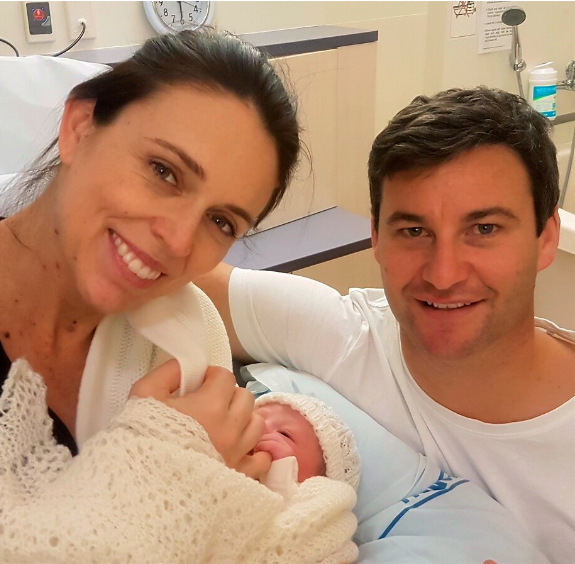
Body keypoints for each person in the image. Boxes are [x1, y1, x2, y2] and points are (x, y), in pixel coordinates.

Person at [196, 87, 575, 563]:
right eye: (413, 232)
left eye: (484, 229)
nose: (443, 273)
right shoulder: (341, 335)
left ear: (546, 238)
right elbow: (164, 265)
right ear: (376, 236)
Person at [0, 27, 301, 482]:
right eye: (164, 172)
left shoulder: (189, 340)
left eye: (221, 222)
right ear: (79, 129)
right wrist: (160, 472)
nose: (179, 242)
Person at [0, 357, 360, 563]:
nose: (257, 435)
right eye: (253, 423)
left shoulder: (307, 497)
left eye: (285, 436)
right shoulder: (201, 462)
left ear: (321, 473)